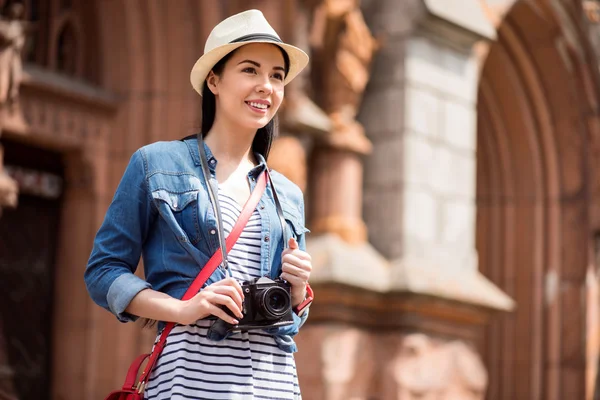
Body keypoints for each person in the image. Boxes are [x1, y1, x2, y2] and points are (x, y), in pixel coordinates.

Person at [84, 9, 313, 399]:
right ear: (214, 80)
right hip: (189, 380)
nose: (266, 86)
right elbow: (103, 272)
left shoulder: (287, 193)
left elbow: (290, 320)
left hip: (274, 383)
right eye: (250, 70)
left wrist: (298, 292)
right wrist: (185, 309)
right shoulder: (155, 164)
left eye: (277, 75)